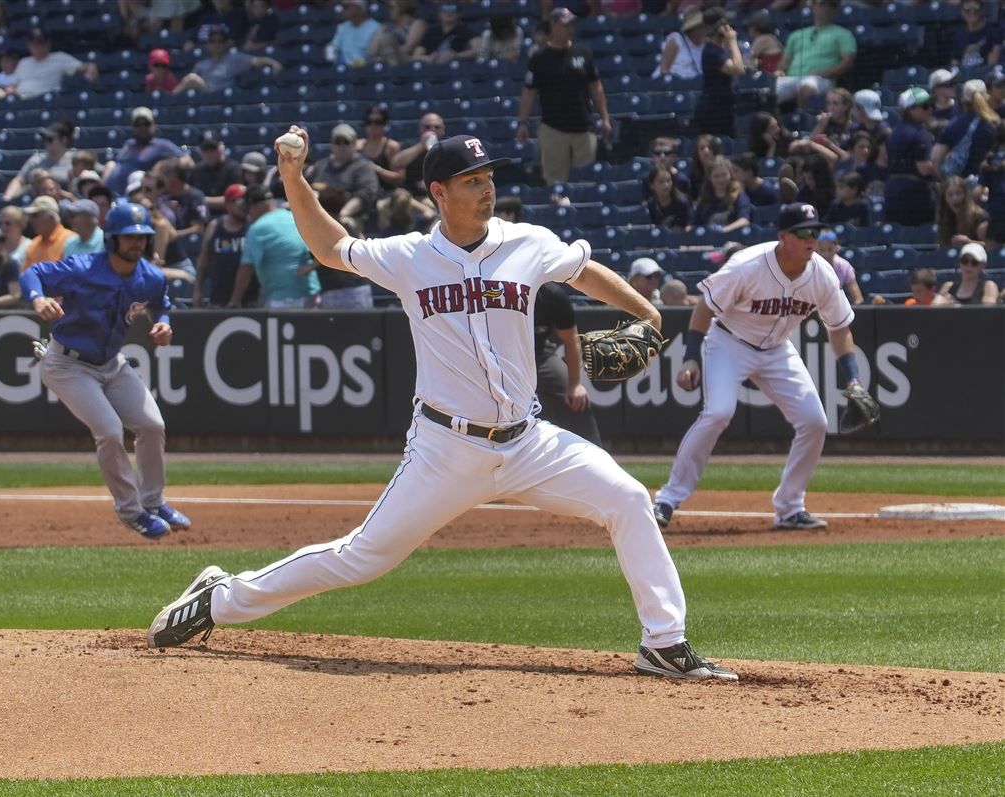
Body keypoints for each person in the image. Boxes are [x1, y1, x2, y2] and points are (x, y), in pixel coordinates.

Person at [148, 128, 739, 684]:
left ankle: (664, 642)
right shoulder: (408, 256)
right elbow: (330, 248)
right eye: (472, 180)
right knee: (361, 558)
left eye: (488, 177)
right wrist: (293, 175)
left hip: (529, 442)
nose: (487, 188)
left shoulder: (527, 243)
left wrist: (649, 313)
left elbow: (582, 271)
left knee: (629, 499)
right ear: (439, 192)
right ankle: (219, 598)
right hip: (445, 447)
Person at [653, 203, 867, 532]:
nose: (812, 239)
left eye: (816, 232)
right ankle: (667, 498)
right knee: (718, 413)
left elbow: (839, 328)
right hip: (729, 342)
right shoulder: (747, 265)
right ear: (783, 237)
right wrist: (691, 356)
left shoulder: (822, 274)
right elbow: (704, 309)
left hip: (777, 349)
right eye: (804, 232)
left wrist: (853, 379)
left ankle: (790, 507)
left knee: (814, 421)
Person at [18, 200, 190, 539]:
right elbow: (32, 273)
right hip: (67, 364)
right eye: (128, 237)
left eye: (141, 237)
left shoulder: (150, 276)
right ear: (112, 238)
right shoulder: (84, 268)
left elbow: (161, 303)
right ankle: (131, 511)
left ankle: (153, 502)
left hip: (111, 363)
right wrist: (38, 298)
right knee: (110, 431)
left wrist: (164, 323)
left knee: (152, 425)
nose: (136, 243)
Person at [516, 7, 612, 185]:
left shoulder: (583, 54)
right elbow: (529, 91)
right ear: (553, 25)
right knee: (555, 185)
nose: (570, 29)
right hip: (553, 129)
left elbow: (596, 87)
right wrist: (523, 122)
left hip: (584, 129)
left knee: (586, 185)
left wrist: (605, 118)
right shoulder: (540, 57)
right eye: (565, 25)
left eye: (571, 24)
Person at [228, 183, 320, 308]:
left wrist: (235, 300)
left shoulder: (258, 228)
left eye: (248, 208)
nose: (248, 213)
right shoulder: (294, 217)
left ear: (254, 206)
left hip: (283, 301)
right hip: (312, 296)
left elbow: (246, 268)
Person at [534, 281, 601, 446]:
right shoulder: (499, 290)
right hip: (499, 357)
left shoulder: (551, 294)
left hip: (539, 355)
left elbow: (571, 340)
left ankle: (592, 451)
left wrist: (575, 384)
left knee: (577, 399)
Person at [0, 28, 97, 100]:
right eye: (35, 43)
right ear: (29, 45)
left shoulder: (59, 57)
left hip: (46, 99)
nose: (38, 47)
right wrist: (10, 90)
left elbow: (86, 67)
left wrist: (90, 74)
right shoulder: (24, 62)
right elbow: (15, 82)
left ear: (48, 43)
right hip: (19, 99)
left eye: (41, 43)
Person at [774, 0, 856, 111]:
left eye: (832, 5)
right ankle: (774, 124)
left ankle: (802, 120)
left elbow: (847, 62)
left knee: (806, 87)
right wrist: (779, 72)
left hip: (821, 79)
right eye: (822, 3)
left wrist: (822, 73)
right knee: (769, 92)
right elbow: (784, 63)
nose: (827, 7)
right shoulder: (796, 34)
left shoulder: (843, 34)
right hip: (792, 77)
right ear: (812, 6)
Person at [304, 123, 380, 230]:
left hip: (350, 215)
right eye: (337, 142)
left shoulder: (363, 167)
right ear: (332, 145)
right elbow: (307, 187)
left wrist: (344, 214)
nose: (341, 146)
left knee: (346, 224)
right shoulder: (320, 165)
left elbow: (365, 194)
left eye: (346, 142)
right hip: (318, 214)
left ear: (354, 144)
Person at [173, 23, 282, 93]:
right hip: (205, 98)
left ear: (226, 43)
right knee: (191, 79)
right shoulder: (201, 64)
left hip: (223, 96)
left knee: (192, 79)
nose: (216, 44)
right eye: (212, 41)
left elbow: (257, 61)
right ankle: (168, 102)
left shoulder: (235, 59)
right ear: (207, 44)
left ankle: (170, 99)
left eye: (220, 40)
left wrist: (273, 63)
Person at [100, 107, 185, 197]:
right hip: (111, 196)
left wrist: (164, 164)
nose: (142, 127)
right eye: (137, 124)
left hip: (137, 197)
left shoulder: (162, 145)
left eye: (146, 124)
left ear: (153, 125)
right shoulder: (129, 144)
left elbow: (187, 161)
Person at [193, 183, 253, 308]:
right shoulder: (215, 226)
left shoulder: (253, 226)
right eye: (240, 201)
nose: (245, 205)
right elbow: (204, 259)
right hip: (218, 298)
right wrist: (198, 289)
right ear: (228, 204)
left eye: (248, 201)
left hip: (249, 299)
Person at [884, 87, 937, 228]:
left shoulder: (894, 131)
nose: (930, 109)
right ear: (910, 110)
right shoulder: (919, 133)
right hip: (915, 195)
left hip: (892, 191)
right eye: (925, 106)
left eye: (931, 105)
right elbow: (924, 169)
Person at [931, 79, 1000, 181]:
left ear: (963, 100)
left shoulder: (953, 125)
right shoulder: (996, 124)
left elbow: (935, 160)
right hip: (991, 186)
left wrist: (945, 184)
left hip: (961, 189)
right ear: (987, 98)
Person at [693, 9, 744, 139]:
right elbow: (738, 69)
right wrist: (732, 41)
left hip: (724, 109)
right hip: (714, 112)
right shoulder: (711, 52)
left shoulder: (719, 50)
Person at [3, 119, 76, 201]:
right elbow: (20, 180)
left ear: (64, 140)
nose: (46, 143)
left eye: (50, 139)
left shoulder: (74, 161)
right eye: (45, 139)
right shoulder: (36, 159)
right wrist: (8, 197)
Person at [390, 113, 445, 200]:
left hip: (436, 196)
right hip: (409, 196)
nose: (432, 130)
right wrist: (421, 146)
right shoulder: (409, 145)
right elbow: (395, 163)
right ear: (420, 129)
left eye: (436, 127)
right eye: (427, 127)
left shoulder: (448, 149)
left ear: (443, 130)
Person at [692, 155, 752, 233]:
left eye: (724, 175)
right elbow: (695, 224)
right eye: (716, 176)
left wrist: (724, 231)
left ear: (730, 175)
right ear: (710, 178)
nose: (721, 180)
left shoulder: (739, 195)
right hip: (708, 241)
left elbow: (744, 220)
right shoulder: (704, 198)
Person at [190, 133, 242, 214]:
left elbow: (234, 200)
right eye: (205, 149)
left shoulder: (233, 168)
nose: (209, 153)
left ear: (221, 147)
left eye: (213, 149)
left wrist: (199, 200)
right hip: (201, 216)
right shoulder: (197, 170)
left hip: (226, 217)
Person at [356, 105, 403, 194]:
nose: (373, 125)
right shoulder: (357, 146)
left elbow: (399, 178)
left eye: (378, 122)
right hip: (362, 193)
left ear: (384, 124)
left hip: (386, 193)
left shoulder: (391, 147)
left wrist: (377, 169)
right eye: (369, 122)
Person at [412, 4, 478, 64]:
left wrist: (456, 55)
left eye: (452, 10)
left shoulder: (465, 30)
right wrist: (428, 58)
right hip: (430, 68)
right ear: (439, 14)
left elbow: (478, 50)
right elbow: (417, 54)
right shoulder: (432, 31)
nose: (448, 13)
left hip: (455, 68)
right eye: (444, 10)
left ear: (459, 14)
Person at [366, 0, 426, 66]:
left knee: (385, 39)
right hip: (386, 59)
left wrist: (389, 49)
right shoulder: (385, 26)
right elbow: (372, 50)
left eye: (392, 7)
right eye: (388, 8)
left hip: (406, 60)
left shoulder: (417, 23)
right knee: (381, 39)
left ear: (402, 7)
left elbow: (408, 48)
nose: (389, 11)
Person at [22, 195, 74, 269]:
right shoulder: (34, 244)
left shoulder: (71, 240)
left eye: (35, 215)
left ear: (51, 217)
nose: (31, 220)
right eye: (30, 216)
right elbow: (26, 275)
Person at [935, 175, 988, 248]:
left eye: (959, 193)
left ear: (966, 195)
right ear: (945, 198)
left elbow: (993, 247)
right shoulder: (944, 217)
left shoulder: (979, 216)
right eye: (950, 195)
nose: (955, 198)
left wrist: (969, 242)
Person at [653, 8, 706, 79]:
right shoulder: (676, 39)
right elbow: (664, 69)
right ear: (691, 28)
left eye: (702, 26)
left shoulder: (705, 45)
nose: (701, 29)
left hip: (693, 85)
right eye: (698, 26)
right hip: (672, 83)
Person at [325, 0, 380, 67]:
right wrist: (335, 59)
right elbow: (332, 48)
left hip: (367, 72)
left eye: (346, 7)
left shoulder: (376, 28)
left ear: (359, 8)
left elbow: (376, 56)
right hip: (346, 72)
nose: (343, 10)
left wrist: (359, 63)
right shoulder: (343, 28)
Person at [814, 229, 863, 305]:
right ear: (816, 249)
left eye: (830, 249)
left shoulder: (844, 266)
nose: (826, 254)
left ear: (837, 248)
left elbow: (858, 299)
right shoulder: (808, 266)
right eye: (822, 250)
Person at [952, 0, 1001, 70]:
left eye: (975, 10)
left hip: (985, 76)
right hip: (964, 77)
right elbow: (955, 64)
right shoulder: (958, 36)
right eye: (967, 10)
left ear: (982, 11)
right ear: (962, 12)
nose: (972, 12)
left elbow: (992, 64)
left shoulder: (993, 32)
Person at [646, 163, 694, 230]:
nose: (666, 185)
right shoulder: (652, 204)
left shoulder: (682, 203)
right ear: (652, 185)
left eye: (668, 180)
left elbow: (685, 227)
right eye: (661, 181)